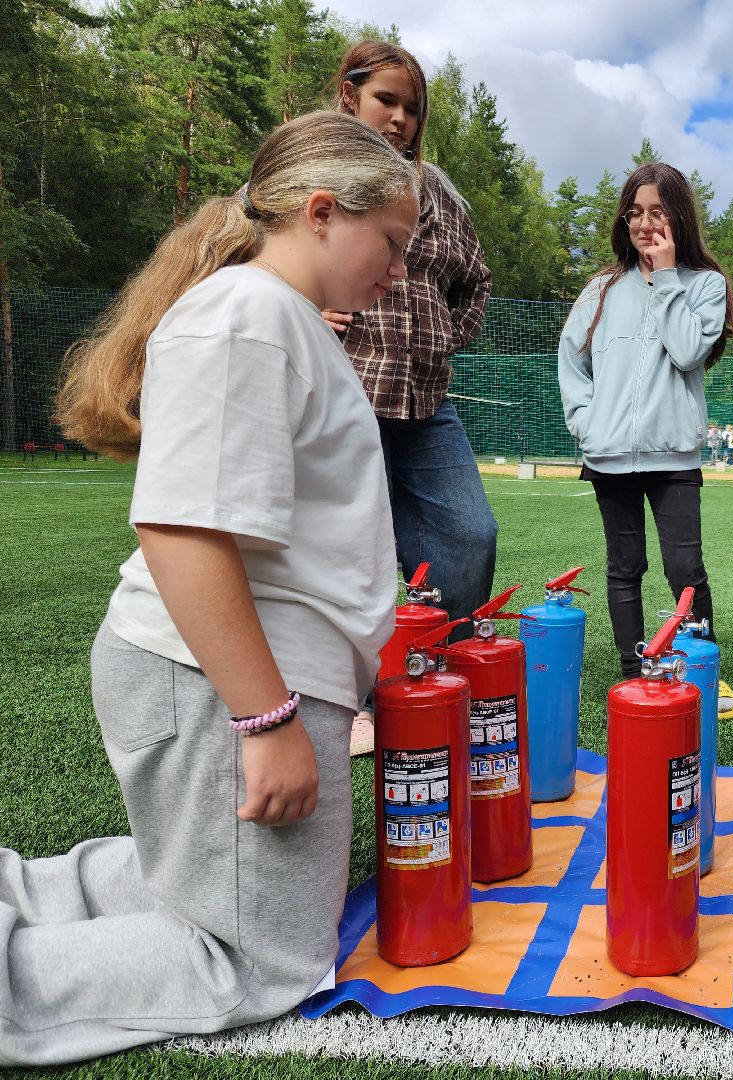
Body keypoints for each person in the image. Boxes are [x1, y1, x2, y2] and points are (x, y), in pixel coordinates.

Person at [10, 112, 416, 1066]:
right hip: (219, 681)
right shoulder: (249, 316)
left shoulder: (275, 317)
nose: (399, 271)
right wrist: (266, 720)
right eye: (393, 243)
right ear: (323, 212)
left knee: (198, 880)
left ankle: (24, 897)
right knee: (258, 958)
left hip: (223, 677)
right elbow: (182, 532)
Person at [326, 41, 498, 754]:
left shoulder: (438, 192)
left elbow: (476, 278)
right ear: (349, 95)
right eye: (385, 101)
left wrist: (442, 336)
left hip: (427, 399)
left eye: (412, 108)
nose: (399, 118)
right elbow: (254, 252)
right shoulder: (313, 170)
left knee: (469, 535)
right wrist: (305, 310)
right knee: (348, 552)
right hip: (341, 390)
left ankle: (441, 679)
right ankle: (348, 700)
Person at [557, 162, 733, 681]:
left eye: (658, 212)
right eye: (636, 213)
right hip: (608, 455)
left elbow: (688, 351)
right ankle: (634, 674)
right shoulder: (601, 288)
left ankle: (699, 671)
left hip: (673, 456)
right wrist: (585, 423)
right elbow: (571, 360)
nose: (645, 224)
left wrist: (667, 276)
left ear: (679, 218)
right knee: (624, 568)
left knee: (685, 570)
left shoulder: (705, 285)